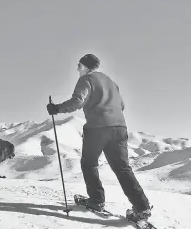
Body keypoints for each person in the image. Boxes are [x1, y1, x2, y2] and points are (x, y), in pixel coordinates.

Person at [46, 54, 151, 220]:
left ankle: (96, 200)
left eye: (79, 65)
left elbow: (78, 101)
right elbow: (122, 105)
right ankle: (142, 206)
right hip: (120, 128)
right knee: (122, 168)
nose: (77, 69)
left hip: (97, 128)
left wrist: (56, 109)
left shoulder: (86, 79)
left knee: (88, 164)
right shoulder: (111, 82)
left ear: (86, 67)